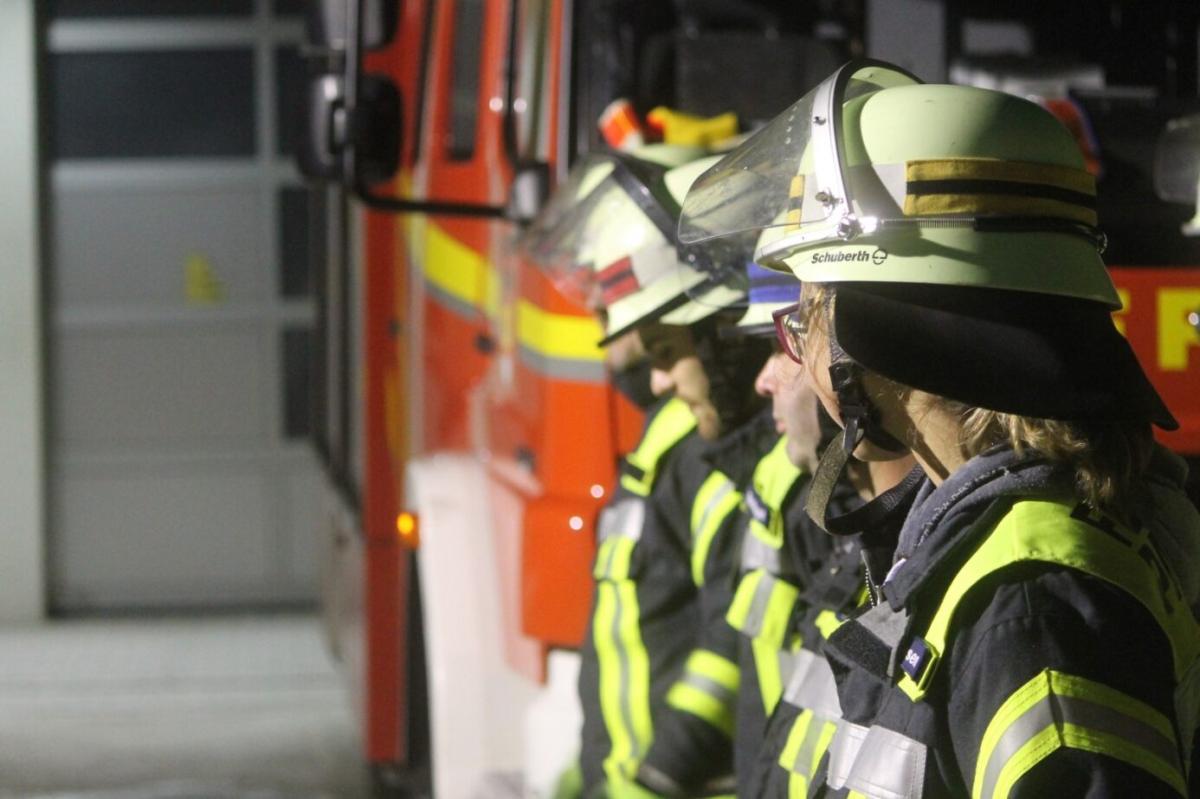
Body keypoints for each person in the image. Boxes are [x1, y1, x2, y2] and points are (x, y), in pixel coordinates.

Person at [678, 60, 1200, 798]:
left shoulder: (1031, 605)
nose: (795, 349)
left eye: (803, 321)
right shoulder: (970, 546)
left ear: (882, 331)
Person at [523, 146, 772, 797]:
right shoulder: (672, 432)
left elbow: (734, 628)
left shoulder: (708, 444)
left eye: (616, 305)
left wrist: (665, 769)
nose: (606, 336)